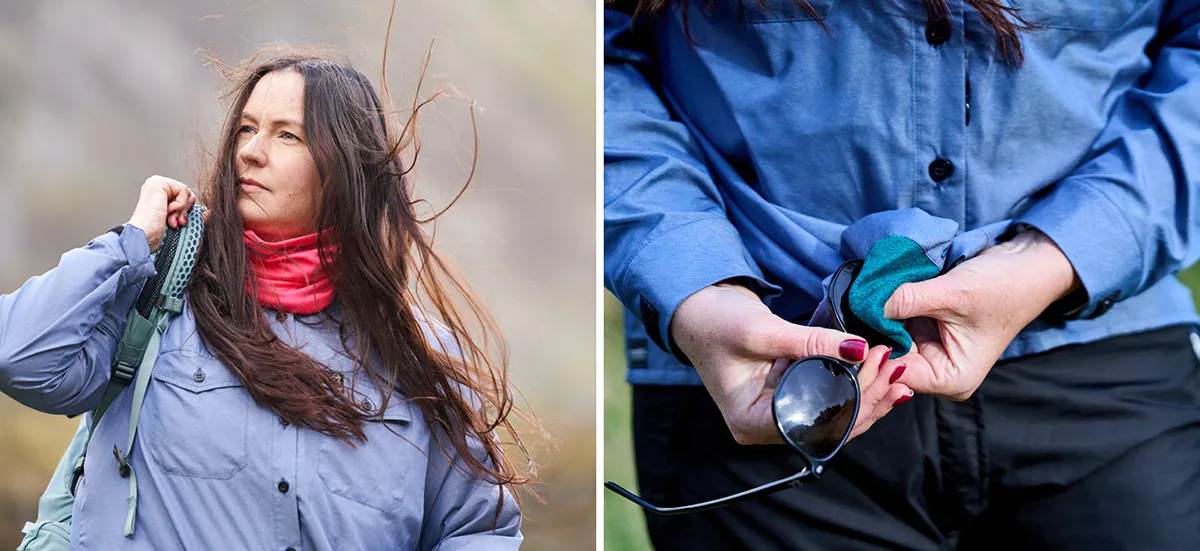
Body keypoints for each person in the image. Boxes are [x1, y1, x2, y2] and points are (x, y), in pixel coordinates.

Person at [604, 0, 1200, 549]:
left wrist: (1057, 258)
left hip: (1109, 364)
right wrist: (691, 284)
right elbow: (603, 58)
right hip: (769, 381)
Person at [1, 45, 529, 550]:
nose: (250, 152)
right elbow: (19, 356)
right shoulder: (154, 303)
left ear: (344, 164)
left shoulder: (416, 357)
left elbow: (479, 529)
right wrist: (135, 238)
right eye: (247, 129)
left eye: (287, 136)